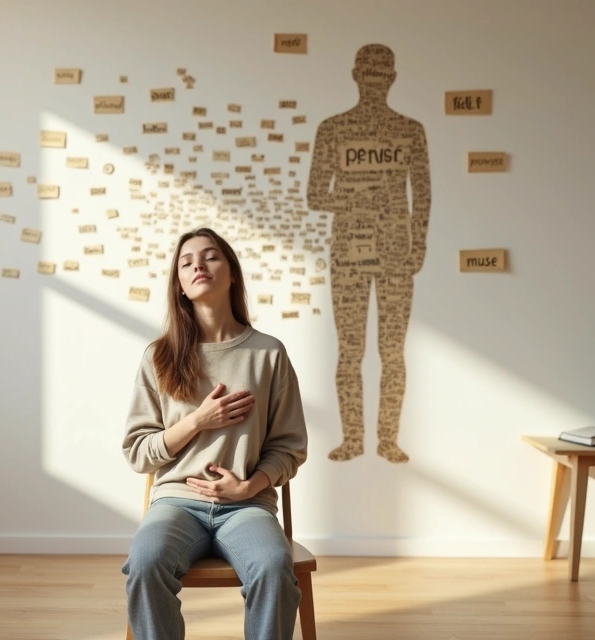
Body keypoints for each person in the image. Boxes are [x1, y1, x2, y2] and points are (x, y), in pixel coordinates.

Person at [120, 227, 310, 640]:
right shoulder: (159, 356)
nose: (198, 266)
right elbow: (138, 452)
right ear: (181, 287)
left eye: (210, 257)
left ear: (232, 273)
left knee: (274, 567)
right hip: (176, 504)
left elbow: (289, 447)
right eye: (186, 262)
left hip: (247, 506)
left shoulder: (268, 353)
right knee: (145, 562)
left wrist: (249, 487)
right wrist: (197, 421)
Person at [307, 43, 431, 464]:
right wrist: (360, 199)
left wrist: (420, 242)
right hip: (349, 252)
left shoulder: (411, 130)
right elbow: (314, 194)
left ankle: (387, 440)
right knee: (350, 350)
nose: (375, 83)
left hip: (397, 253)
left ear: (391, 79)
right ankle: (354, 439)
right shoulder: (333, 129)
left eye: (382, 76)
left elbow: (424, 193)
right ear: (357, 76)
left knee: (392, 351)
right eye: (370, 75)